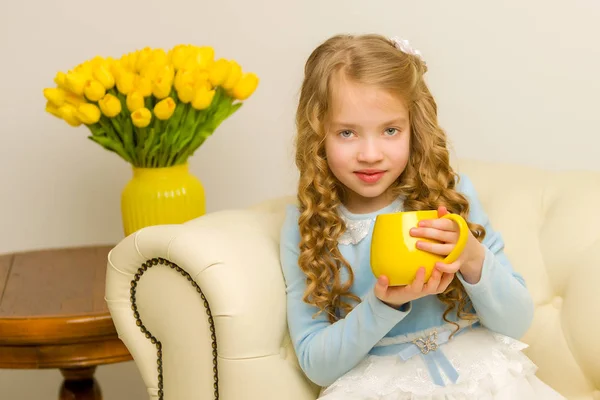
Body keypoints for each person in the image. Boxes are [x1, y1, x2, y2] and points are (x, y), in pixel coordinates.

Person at [279, 33, 565, 399]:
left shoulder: (449, 196)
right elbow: (316, 363)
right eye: (347, 132)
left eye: (390, 131)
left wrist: (472, 256)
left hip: (478, 373)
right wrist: (384, 305)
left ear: (415, 129)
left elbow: (516, 322)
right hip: (377, 385)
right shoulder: (307, 224)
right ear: (318, 134)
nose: (370, 154)